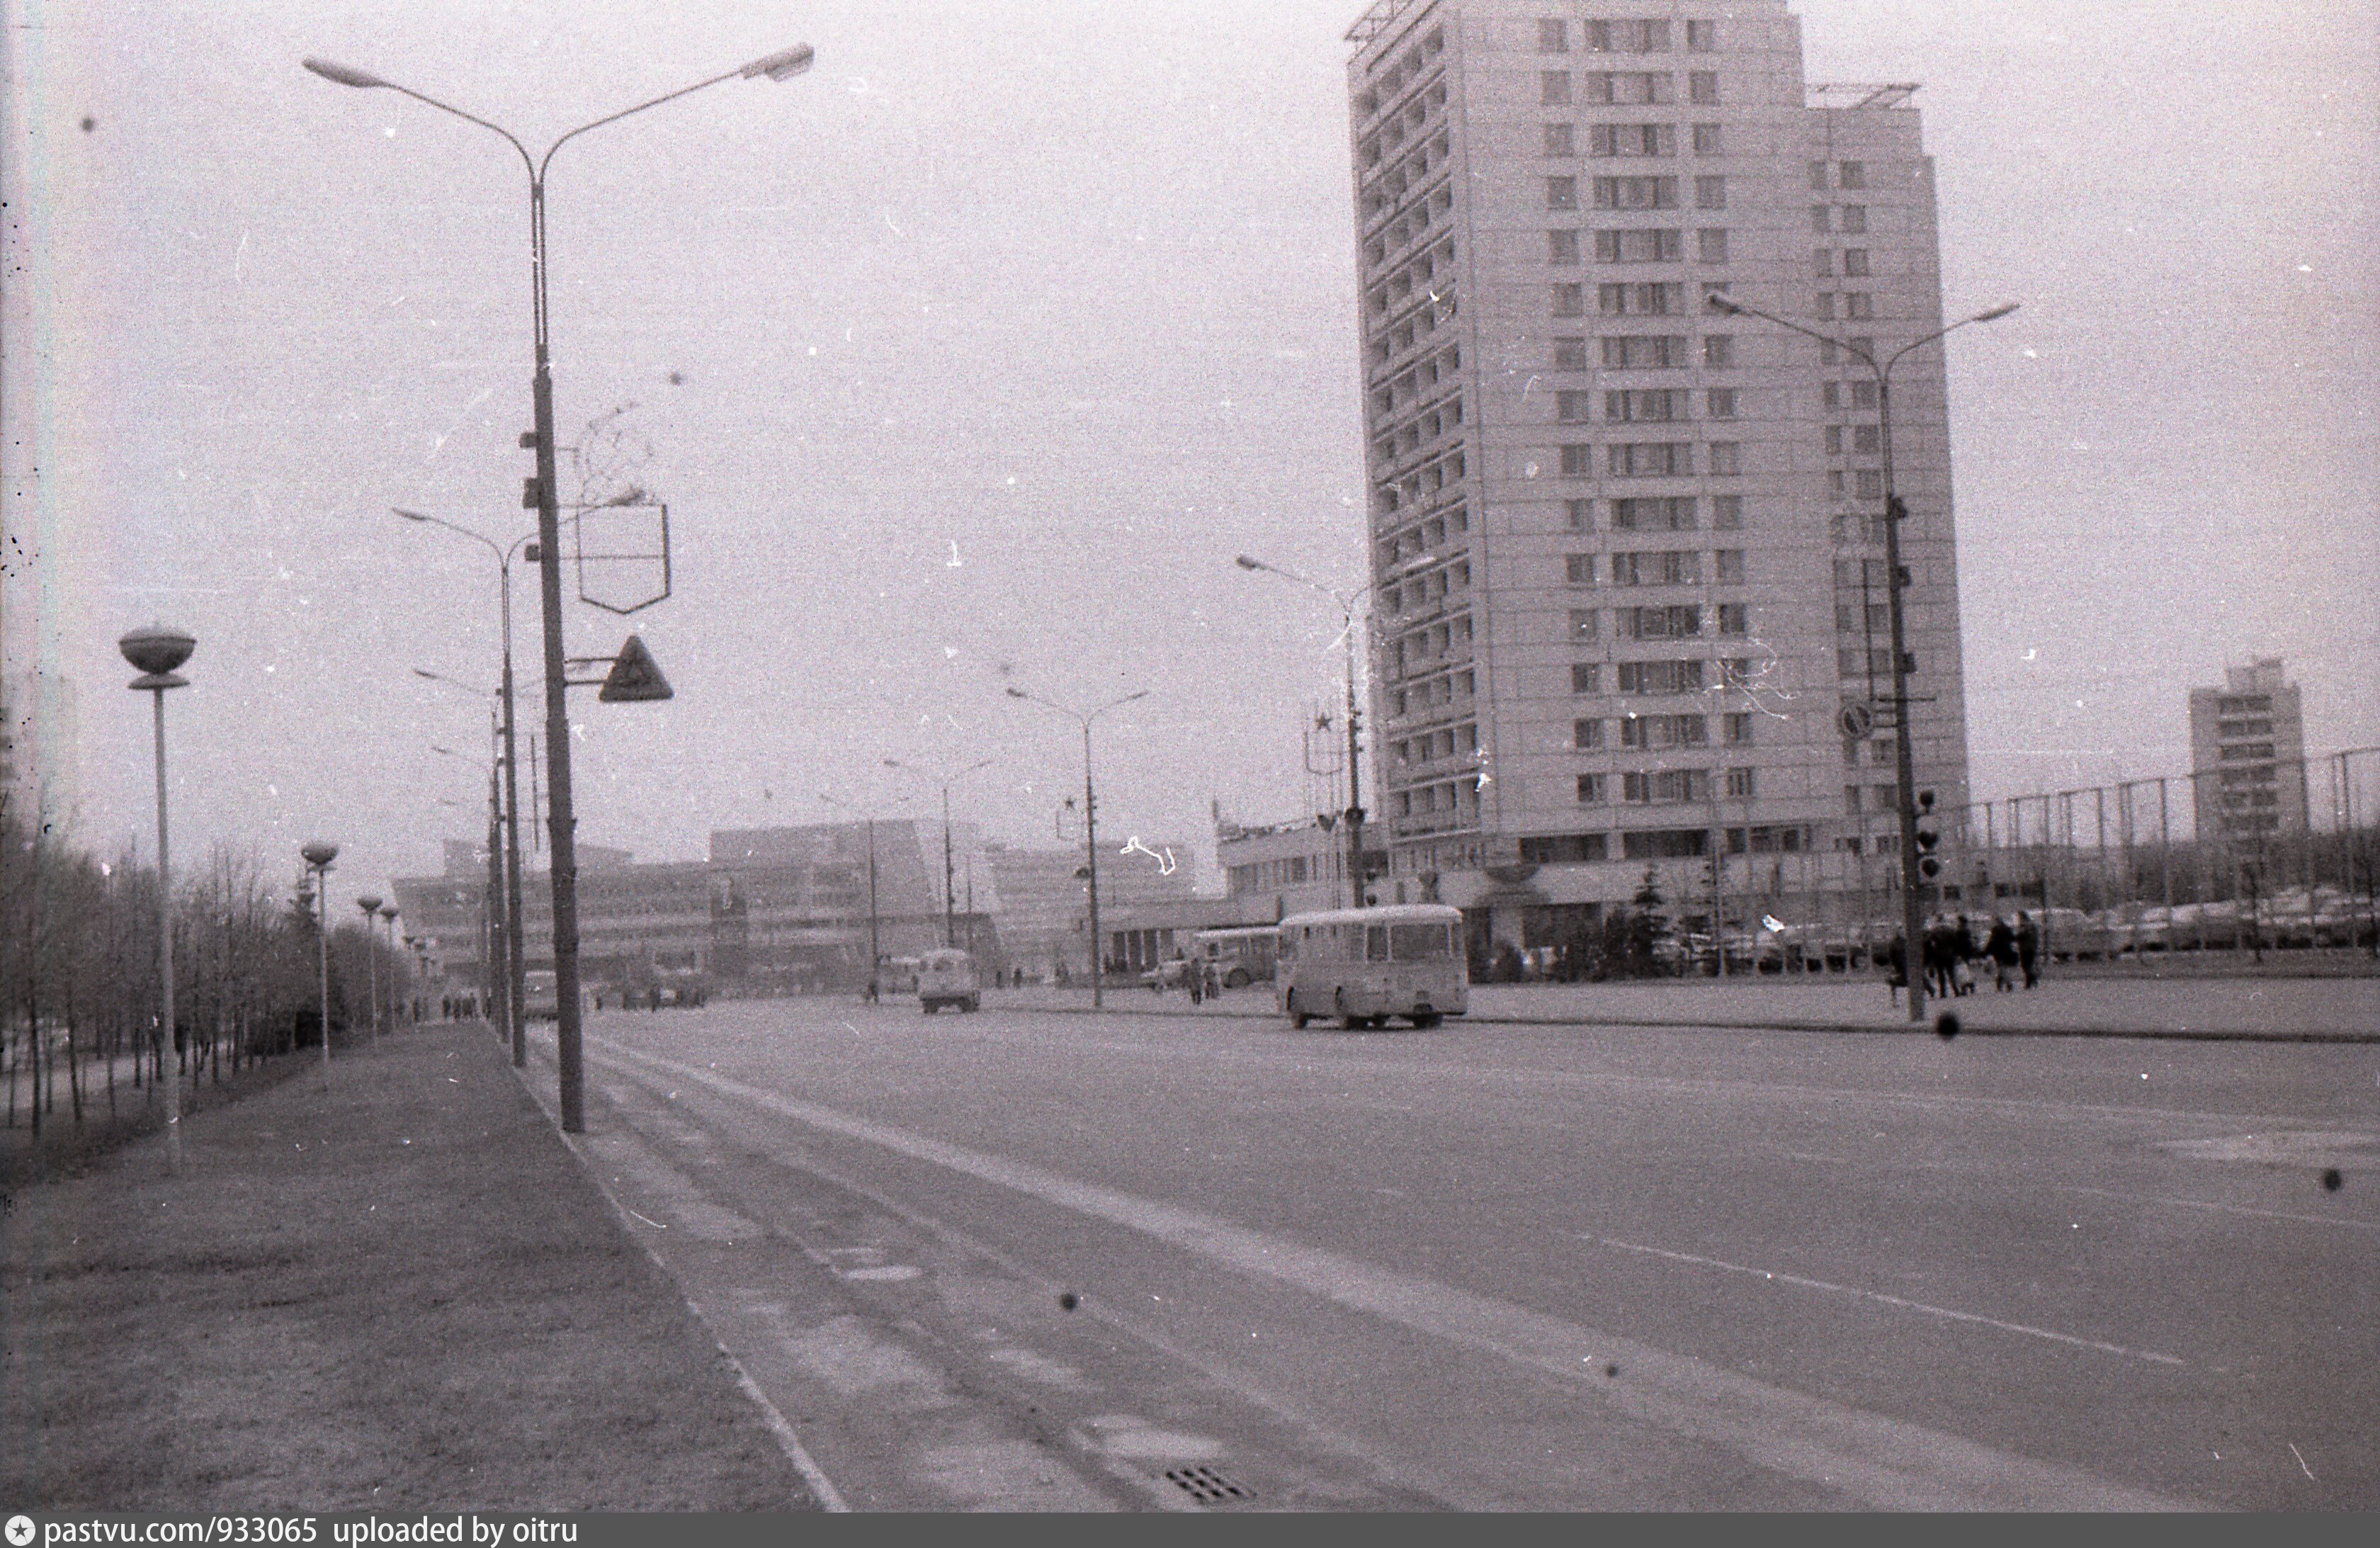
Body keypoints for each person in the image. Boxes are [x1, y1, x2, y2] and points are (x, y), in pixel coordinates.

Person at [1985, 915, 2017, 992]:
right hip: (2006, 951)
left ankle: (2007, 984)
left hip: (1999, 953)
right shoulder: (2007, 929)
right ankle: (2000, 984)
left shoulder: (1996, 931)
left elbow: (1992, 943)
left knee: (2002, 969)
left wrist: (1986, 952)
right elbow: (2012, 939)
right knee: (2002, 969)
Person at [2016, 911, 2041, 989]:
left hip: (2027, 948)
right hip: (2029, 948)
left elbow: (2024, 935)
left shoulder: (2027, 925)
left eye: (2019, 917)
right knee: (2027, 966)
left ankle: (2030, 981)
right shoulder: (2030, 925)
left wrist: (2017, 937)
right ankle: (2032, 980)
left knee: (2026, 965)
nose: (2019, 919)